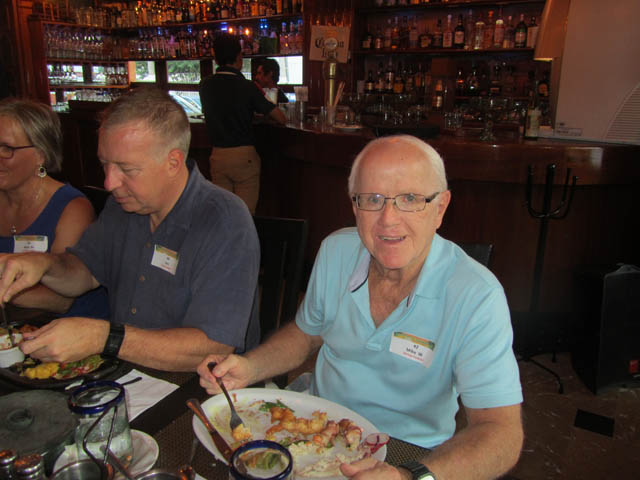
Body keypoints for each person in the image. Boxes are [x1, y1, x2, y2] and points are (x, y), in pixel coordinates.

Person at [197, 135, 524, 479]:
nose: (388, 219)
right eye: (372, 199)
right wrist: (250, 367)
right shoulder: (336, 251)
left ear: (440, 208)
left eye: (410, 199)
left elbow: (501, 433)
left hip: (413, 454)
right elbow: (305, 335)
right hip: (317, 431)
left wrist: (409, 476)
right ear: (355, 206)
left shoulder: (477, 296)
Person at [0, 87, 261, 372]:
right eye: (105, 164)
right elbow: (84, 272)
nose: (109, 183)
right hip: (127, 372)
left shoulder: (224, 220)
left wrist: (104, 337)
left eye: (127, 169)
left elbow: (213, 347)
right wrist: (44, 266)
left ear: (173, 162)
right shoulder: (123, 205)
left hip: (201, 385)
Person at [0, 98, 109, 321]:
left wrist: (4, 292)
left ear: (41, 154)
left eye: (6, 149)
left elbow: (60, 300)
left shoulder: (72, 208)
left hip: (71, 329)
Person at [199, 33, 286, 214]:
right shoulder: (247, 86)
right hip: (243, 157)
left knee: (223, 215)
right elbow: (280, 117)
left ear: (215, 58)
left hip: (217, 157)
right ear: (239, 57)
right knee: (244, 217)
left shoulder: (205, 85)